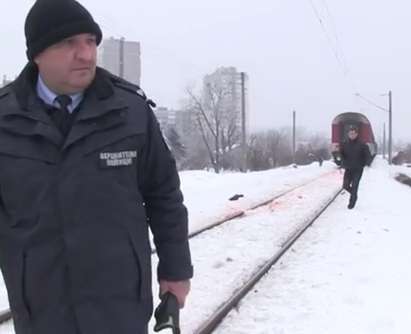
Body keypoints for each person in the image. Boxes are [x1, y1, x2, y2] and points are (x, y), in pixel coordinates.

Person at [0, 1, 193, 333]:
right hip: (41, 310)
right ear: (37, 53)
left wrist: (175, 271)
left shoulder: (130, 113)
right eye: (68, 43)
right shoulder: (5, 122)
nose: (86, 54)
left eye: (90, 41)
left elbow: (164, 196)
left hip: (120, 307)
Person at [340, 126, 372, 209]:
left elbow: (368, 155)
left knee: (354, 186)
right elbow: (341, 154)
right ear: (348, 134)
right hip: (348, 168)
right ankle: (354, 195)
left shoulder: (362, 144)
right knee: (345, 186)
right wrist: (342, 162)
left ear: (357, 134)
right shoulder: (345, 144)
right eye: (350, 133)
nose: (352, 135)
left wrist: (366, 163)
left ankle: (352, 203)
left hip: (358, 169)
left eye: (353, 133)